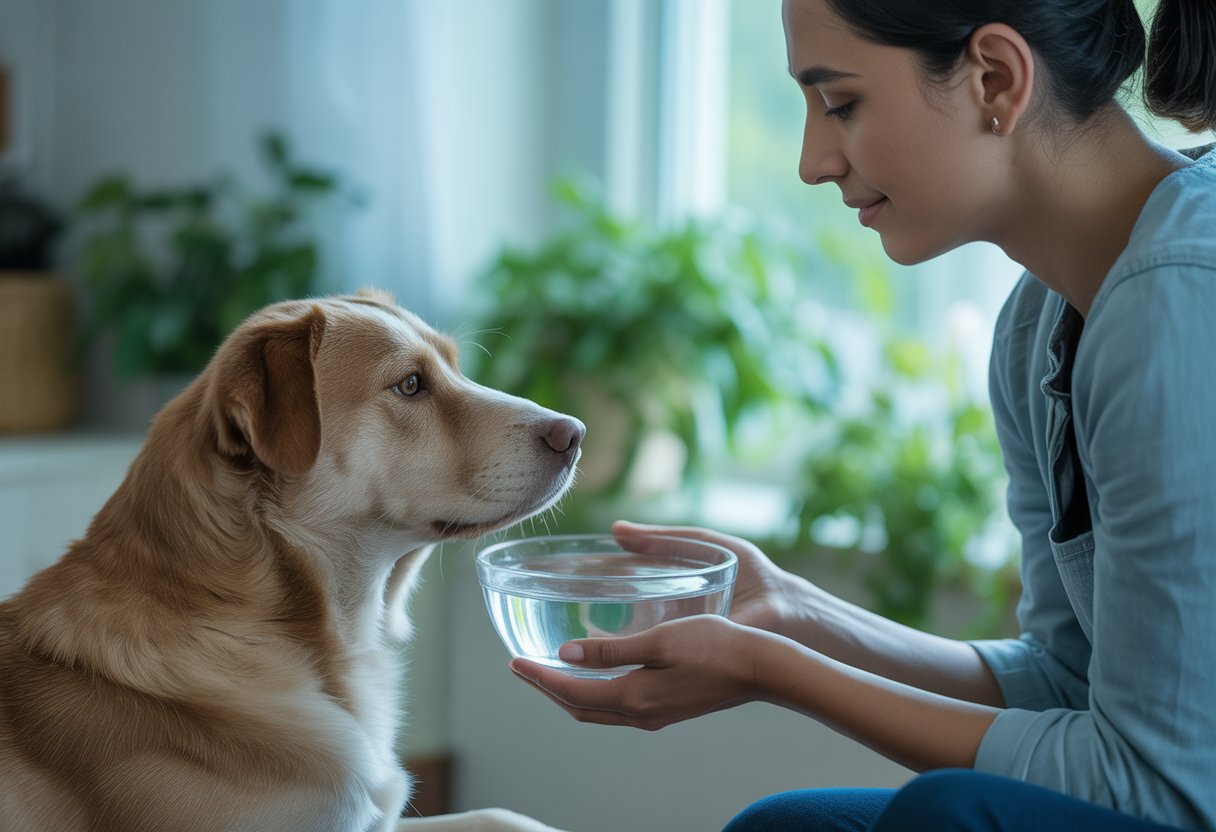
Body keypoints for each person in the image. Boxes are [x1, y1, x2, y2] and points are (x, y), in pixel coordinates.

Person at [508, 0, 1216, 830]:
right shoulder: (1036, 324)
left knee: (945, 816)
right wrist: (801, 616)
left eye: (841, 103)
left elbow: (1161, 789)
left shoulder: (1174, 296)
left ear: (997, 77)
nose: (812, 161)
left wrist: (777, 671)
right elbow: (1068, 683)